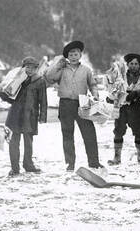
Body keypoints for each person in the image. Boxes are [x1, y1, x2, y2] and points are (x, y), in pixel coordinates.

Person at [45, 41, 103, 171]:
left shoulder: (86, 70)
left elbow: (92, 85)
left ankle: (94, 162)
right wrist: (57, 66)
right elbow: (49, 77)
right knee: (67, 134)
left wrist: (95, 95)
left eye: (76, 53)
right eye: (71, 54)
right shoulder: (62, 69)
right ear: (67, 56)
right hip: (65, 104)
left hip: (82, 104)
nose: (73, 56)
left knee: (89, 134)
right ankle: (69, 164)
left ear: (80, 55)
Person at [0, 56, 47, 176]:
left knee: (28, 142)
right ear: (22, 68)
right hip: (15, 114)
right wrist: (3, 94)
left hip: (30, 115)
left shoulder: (40, 81)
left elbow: (43, 100)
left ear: (37, 69)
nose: (29, 70)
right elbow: (9, 97)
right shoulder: (17, 80)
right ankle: (14, 167)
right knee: (13, 142)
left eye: (32, 68)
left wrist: (42, 116)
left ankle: (28, 165)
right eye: (27, 67)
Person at [108, 53, 140, 165]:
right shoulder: (121, 75)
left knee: (139, 131)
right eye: (131, 63)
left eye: (136, 64)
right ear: (127, 65)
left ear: (139, 65)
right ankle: (117, 157)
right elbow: (114, 87)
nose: (133, 66)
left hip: (134, 106)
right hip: (121, 107)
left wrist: (136, 93)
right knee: (118, 130)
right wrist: (111, 96)